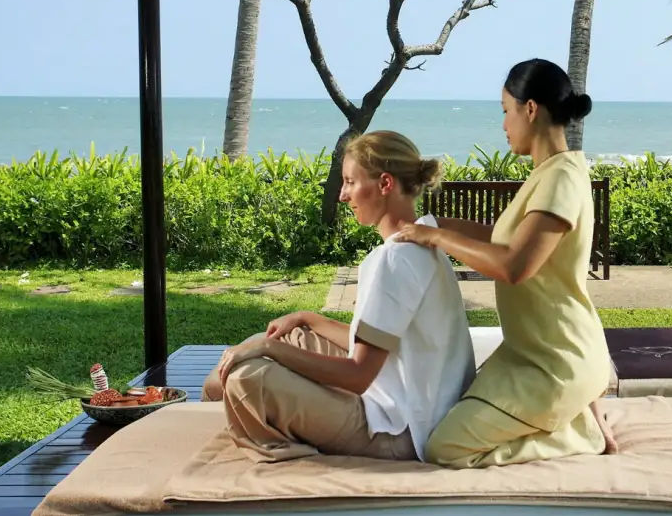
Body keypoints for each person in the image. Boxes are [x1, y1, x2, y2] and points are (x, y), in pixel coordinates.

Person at [202, 131, 476, 464]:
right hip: (412, 405)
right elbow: (382, 346)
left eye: (350, 182)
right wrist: (306, 318)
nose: (343, 195)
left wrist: (269, 349)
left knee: (247, 378)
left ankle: (218, 395)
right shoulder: (424, 240)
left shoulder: (394, 260)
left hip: (396, 431)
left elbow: (358, 376)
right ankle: (216, 390)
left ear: (385, 184)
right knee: (292, 335)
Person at [395, 58, 615, 469]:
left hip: (554, 364)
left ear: (530, 109)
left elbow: (515, 265)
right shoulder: (550, 173)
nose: (503, 125)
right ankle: (572, 416)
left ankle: (577, 435)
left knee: (445, 447)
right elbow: (502, 239)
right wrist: (435, 223)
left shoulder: (561, 178)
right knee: (448, 416)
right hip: (527, 356)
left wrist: (437, 238)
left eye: (505, 111)